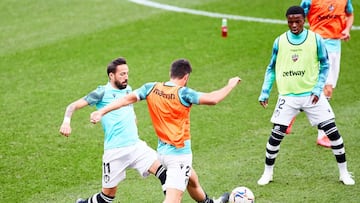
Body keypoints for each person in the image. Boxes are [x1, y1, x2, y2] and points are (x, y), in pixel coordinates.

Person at [90, 59, 241, 203]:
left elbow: (125, 100)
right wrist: (230, 85)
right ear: (186, 76)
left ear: (171, 73)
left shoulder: (151, 88)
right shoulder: (183, 93)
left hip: (162, 153)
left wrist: (101, 111)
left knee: (192, 181)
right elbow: (212, 99)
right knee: (173, 199)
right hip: (179, 156)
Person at [257, 6, 355, 186]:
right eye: (290, 21)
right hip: (288, 96)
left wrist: (318, 89)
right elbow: (271, 68)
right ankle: (267, 173)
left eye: (297, 21)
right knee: (275, 135)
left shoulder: (316, 39)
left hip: (312, 96)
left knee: (333, 133)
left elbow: (325, 66)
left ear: (304, 20)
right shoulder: (279, 41)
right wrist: (265, 91)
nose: (294, 25)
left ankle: (344, 173)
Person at [59, 57, 167, 203]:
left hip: (136, 147)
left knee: (165, 174)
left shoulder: (128, 90)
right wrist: (66, 122)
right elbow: (72, 106)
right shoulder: (101, 92)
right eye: (122, 74)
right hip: (115, 151)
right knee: (107, 197)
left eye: (127, 73)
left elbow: (130, 111)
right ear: (111, 76)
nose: (126, 77)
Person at [286, 0, 354, 148]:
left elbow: (350, 14)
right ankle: (322, 135)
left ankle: (290, 114)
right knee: (325, 89)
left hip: (335, 47)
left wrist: (347, 29)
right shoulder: (310, 1)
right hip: (317, 46)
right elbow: (297, 20)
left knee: (325, 90)